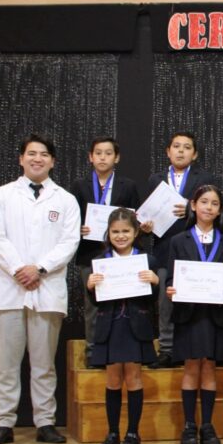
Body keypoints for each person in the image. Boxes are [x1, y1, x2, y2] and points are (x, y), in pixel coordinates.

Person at [0, 134, 80, 444]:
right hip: (9, 290)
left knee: (44, 363)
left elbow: (69, 242)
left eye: (44, 154)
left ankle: (45, 422)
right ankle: (4, 422)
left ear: (52, 161)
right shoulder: (2, 196)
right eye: (32, 154)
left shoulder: (65, 200)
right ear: (21, 159)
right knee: (6, 364)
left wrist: (39, 268)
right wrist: (19, 269)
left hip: (47, 289)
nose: (38, 159)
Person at [166, 184, 223, 444]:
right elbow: (171, 278)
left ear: (220, 210)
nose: (209, 207)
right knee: (190, 367)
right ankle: (189, 426)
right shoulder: (179, 240)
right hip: (189, 314)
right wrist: (170, 289)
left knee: (209, 367)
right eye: (204, 202)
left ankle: (207, 425)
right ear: (193, 205)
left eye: (215, 203)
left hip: (215, 314)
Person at [85, 208, 158, 444]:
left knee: (134, 377)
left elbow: (152, 299)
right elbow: (96, 300)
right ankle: (112, 433)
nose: (120, 236)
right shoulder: (100, 261)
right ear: (108, 233)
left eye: (126, 231)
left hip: (136, 325)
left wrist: (155, 282)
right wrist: (90, 286)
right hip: (110, 325)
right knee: (113, 378)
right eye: (115, 232)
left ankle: (133, 433)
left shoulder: (147, 260)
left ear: (136, 232)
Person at [142, 132, 216, 369]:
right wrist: (145, 227)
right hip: (164, 249)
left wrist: (191, 210)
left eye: (186, 147)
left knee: (195, 301)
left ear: (194, 154)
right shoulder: (155, 179)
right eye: (176, 146)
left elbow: (213, 210)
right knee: (166, 302)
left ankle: (193, 349)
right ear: (168, 151)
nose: (181, 151)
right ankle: (166, 349)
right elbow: (147, 214)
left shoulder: (204, 178)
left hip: (195, 248)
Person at [70, 136, 141, 366]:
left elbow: (136, 218)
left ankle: (124, 350)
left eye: (108, 153)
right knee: (93, 306)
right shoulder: (79, 185)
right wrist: (78, 228)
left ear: (116, 158)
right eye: (98, 153)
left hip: (122, 254)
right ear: (90, 157)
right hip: (90, 254)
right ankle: (93, 352)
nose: (103, 157)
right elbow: (70, 218)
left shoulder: (127, 185)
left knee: (123, 303)